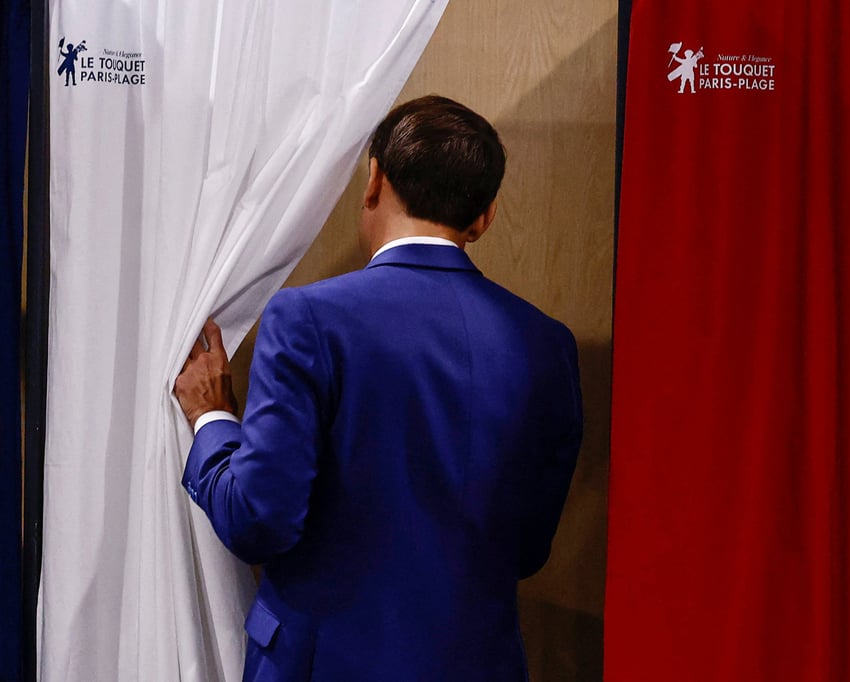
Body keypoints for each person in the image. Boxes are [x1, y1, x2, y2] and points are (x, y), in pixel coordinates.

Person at [174, 95, 583, 681]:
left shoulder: (307, 320)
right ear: (485, 217)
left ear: (373, 180)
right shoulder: (547, 343)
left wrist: (211, 420)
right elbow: (527, 549)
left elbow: (258, 521)